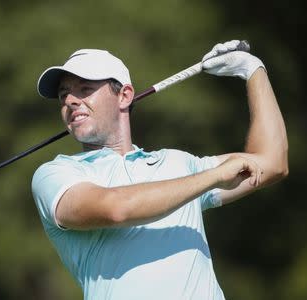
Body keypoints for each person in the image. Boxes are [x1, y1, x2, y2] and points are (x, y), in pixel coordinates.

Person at [31, 40, 288, 300]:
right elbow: (117, 208)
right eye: (64, 95)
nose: (71, 101)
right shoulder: (56, 174)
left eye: (85, 89)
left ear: (125, 95)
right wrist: (212, 177)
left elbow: (272, 162)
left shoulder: (179, 163)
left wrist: (252, 70)